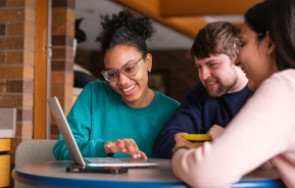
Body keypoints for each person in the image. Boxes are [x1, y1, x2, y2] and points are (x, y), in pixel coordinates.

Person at [171, 0, 295, 187]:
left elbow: (205, 173)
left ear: (268, 44)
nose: (239, 57)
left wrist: (180, 149)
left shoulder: (283, 87)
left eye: (243, 44)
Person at [53, 9, 180, 160]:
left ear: (148, 62)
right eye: (112, 74)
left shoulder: (173, 111)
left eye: (130, 69)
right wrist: (106, 147)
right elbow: (61, 149)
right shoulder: (94, 93)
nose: (122, 81)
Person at [156, 21, 253, 158]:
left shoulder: (263, 91)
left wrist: (227, 137)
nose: (203, 76)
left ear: (237, 58)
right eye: (199, 67)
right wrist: (204, 146)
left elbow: (272, 149)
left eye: (212, 64)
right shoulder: (200, 94)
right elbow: (165, 142)